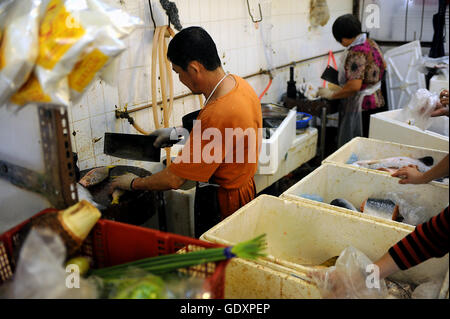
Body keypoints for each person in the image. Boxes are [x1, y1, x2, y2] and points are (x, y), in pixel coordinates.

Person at [110, 27, 262, 238]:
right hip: (243, 189)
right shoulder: (239, 85)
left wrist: (133, 183)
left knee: (221, 265)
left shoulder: (217, 112)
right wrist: (176, 134)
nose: (180, 79)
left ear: (194, 69)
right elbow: (224, 136)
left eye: (178, 73)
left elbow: (174, 179)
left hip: (223, 203)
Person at [318, 14, 387, 146]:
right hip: (378, 100)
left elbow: (354, 86)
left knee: (358, 147)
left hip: (363, 106)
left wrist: (333, 95)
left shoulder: (356, 53)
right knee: (372, 144)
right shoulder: (371, 42)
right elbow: (384, 66)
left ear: (343, 38)